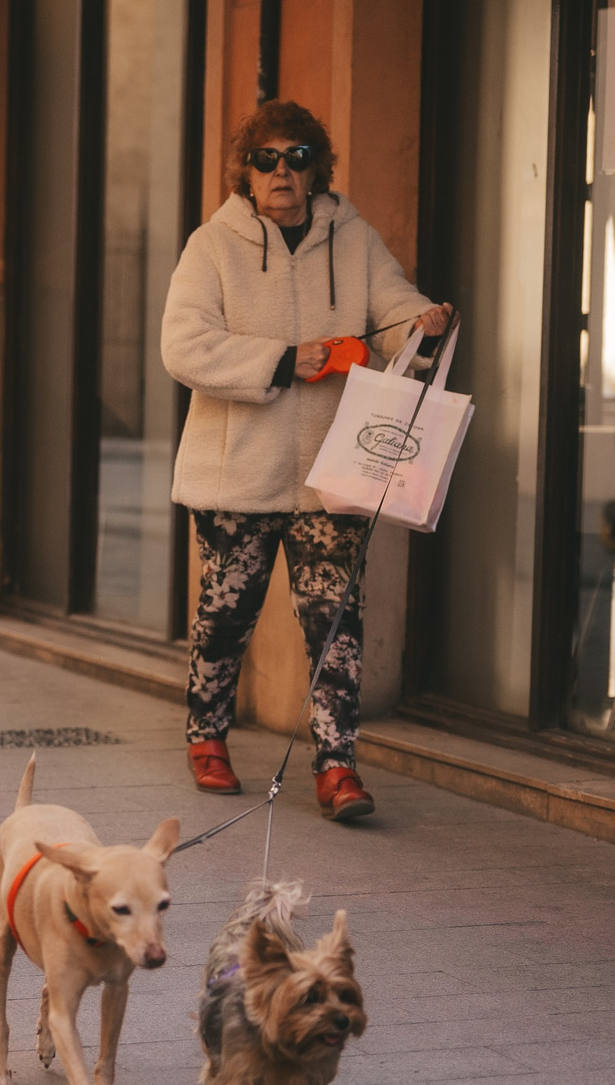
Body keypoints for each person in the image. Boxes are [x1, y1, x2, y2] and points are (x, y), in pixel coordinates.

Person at [160, 99, 458, 823]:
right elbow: (183, 346)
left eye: (297, 158)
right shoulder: (214, 246)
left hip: (332, 475)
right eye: (267, 160)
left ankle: (336, 767)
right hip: (237, 477)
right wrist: (285, 360)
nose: (282, 172)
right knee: (224, 617)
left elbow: (391, 308)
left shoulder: (351, 239)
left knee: (335, 622)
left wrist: (420, 318)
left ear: (316, 168)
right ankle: (207, 737)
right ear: (247, 172)